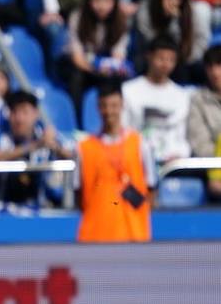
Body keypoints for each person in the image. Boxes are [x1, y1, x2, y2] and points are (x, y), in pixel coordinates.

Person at [77, 82, 154, 242]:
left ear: (122, 105)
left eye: (114, 105)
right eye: (104, 106)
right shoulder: (84, 147)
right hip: (96, 234)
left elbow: (151, 188)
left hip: (134, 233)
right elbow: (78, 191)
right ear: (98, 107)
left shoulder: (140, 143)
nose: (109, 111)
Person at [123, 38, 193, 167]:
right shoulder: (128, 90)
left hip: (173, 161)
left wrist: (179, 154)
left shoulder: (182, 95)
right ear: (149, 57)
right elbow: (124, 129)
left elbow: (183, 136)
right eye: (161, 58)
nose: (165, 64)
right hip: (136, 159)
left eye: (171, 60)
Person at [63, 0, 131, 110]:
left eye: (106, 0)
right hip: (80, 65)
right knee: (76, 77)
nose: (101, 5)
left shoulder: (121, 21)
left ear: (114, 2)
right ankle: (76, 121)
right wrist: (95, 70)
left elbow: (118, 56)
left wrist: (109, 68)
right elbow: (77, 58)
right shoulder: (77, 17)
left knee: (121, 78)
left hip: (104, 64)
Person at [188, 47, 221, 202]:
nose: (215, 72)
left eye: (219, 65)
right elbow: (200, 145)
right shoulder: (197, 100)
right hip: (214, 171)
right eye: (210, 66)